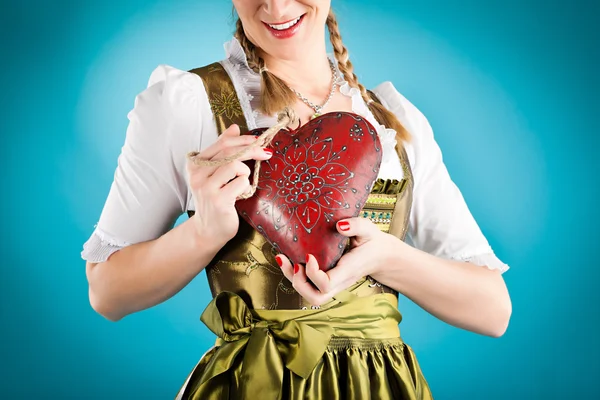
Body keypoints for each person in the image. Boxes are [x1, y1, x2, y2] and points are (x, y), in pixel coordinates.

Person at [82, 1, 512, 398]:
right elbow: (107, 292)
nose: (276, 6)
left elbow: (492, 310)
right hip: (254, 384)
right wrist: (204, 233)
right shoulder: (187, 104)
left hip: (380, 387)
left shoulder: (392, 120)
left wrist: (387, 259)